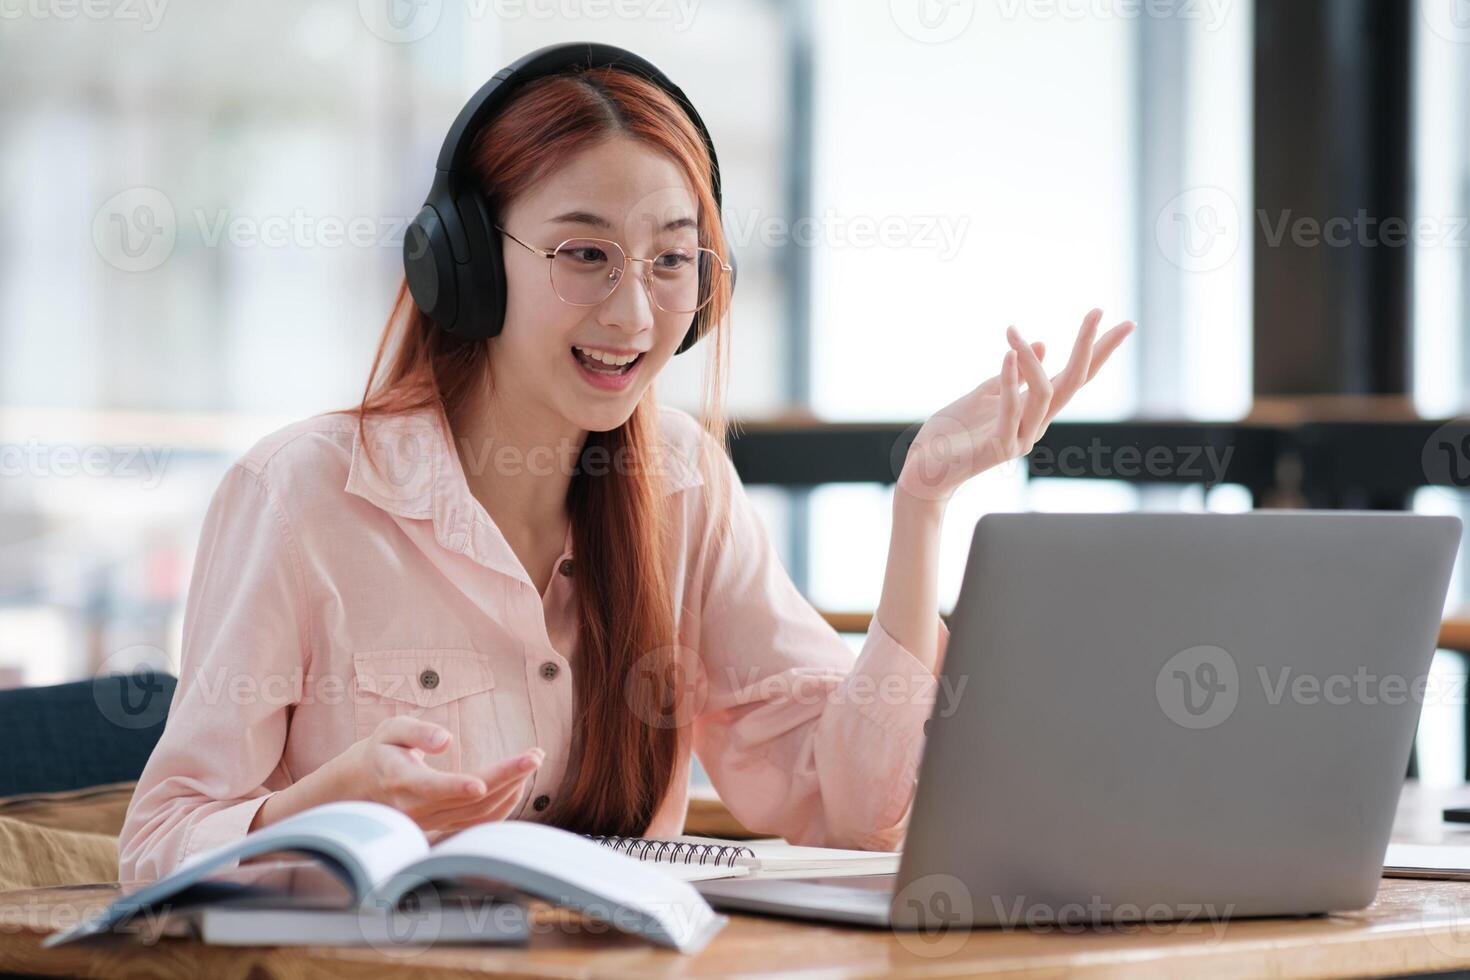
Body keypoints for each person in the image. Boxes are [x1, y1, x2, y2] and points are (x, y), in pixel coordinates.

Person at [117, 49, 1133, 883]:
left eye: (670, 259)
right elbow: (158, 842)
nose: (634, 314)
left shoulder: (685, 488)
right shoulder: (303, 494)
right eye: (585, 254)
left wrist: (922, 503)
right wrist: (310, 812)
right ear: (465, 262)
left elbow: (853, 804)